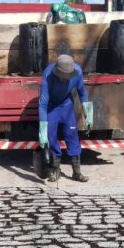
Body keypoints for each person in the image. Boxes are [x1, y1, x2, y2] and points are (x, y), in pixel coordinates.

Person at [38, 54, 93, 182]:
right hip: (51, 107)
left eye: (67, 76)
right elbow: (43, 104)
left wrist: (88, 115)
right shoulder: (48, 74)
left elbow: (82, 94)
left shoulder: (77, 72)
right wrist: (43, 130)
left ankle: (77, 173)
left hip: (67, 106)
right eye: (61, 76)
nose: (64, 79)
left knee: (72, 136)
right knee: (51, 137)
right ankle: (56, 170)